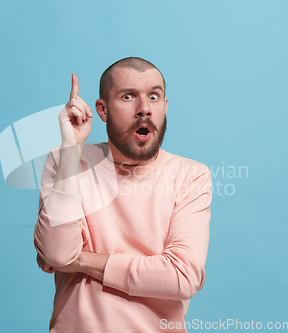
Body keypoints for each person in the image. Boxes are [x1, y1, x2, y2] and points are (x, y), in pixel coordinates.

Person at [34, 57, 212, 332]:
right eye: (128, 96)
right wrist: (71, 147)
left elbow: (182, 276)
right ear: (102, 110)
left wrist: (79, 259)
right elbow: (58, 254)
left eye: (154, 96)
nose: (144, 109)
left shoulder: (191, 176)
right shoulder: (65, 161)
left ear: (165, 107)